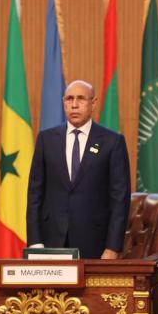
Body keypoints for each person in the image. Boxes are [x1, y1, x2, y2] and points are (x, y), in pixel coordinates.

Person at [27, 79, 131, 259]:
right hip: (51, 240)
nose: (74, 105)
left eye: (81, 98)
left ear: (93, 103)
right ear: (63, 103)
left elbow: (119, 198)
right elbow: (35, 193)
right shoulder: (46, 139)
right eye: (69, 99)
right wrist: (35, 242)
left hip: (95, 242)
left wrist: (113, 247)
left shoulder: (112, 142)